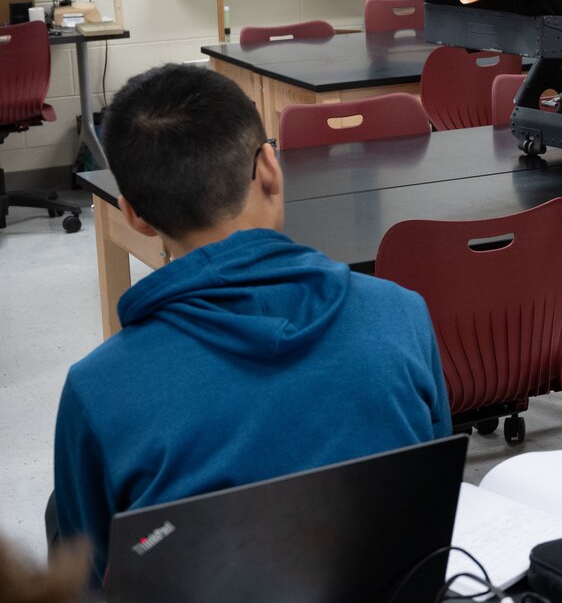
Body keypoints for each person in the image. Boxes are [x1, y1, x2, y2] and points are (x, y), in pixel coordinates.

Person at [51, 64, 451, 582]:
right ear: (269, 167)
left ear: (135, 215)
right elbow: (438, 495)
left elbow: (88, 582)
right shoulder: (401, 314)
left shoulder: (98, 391)